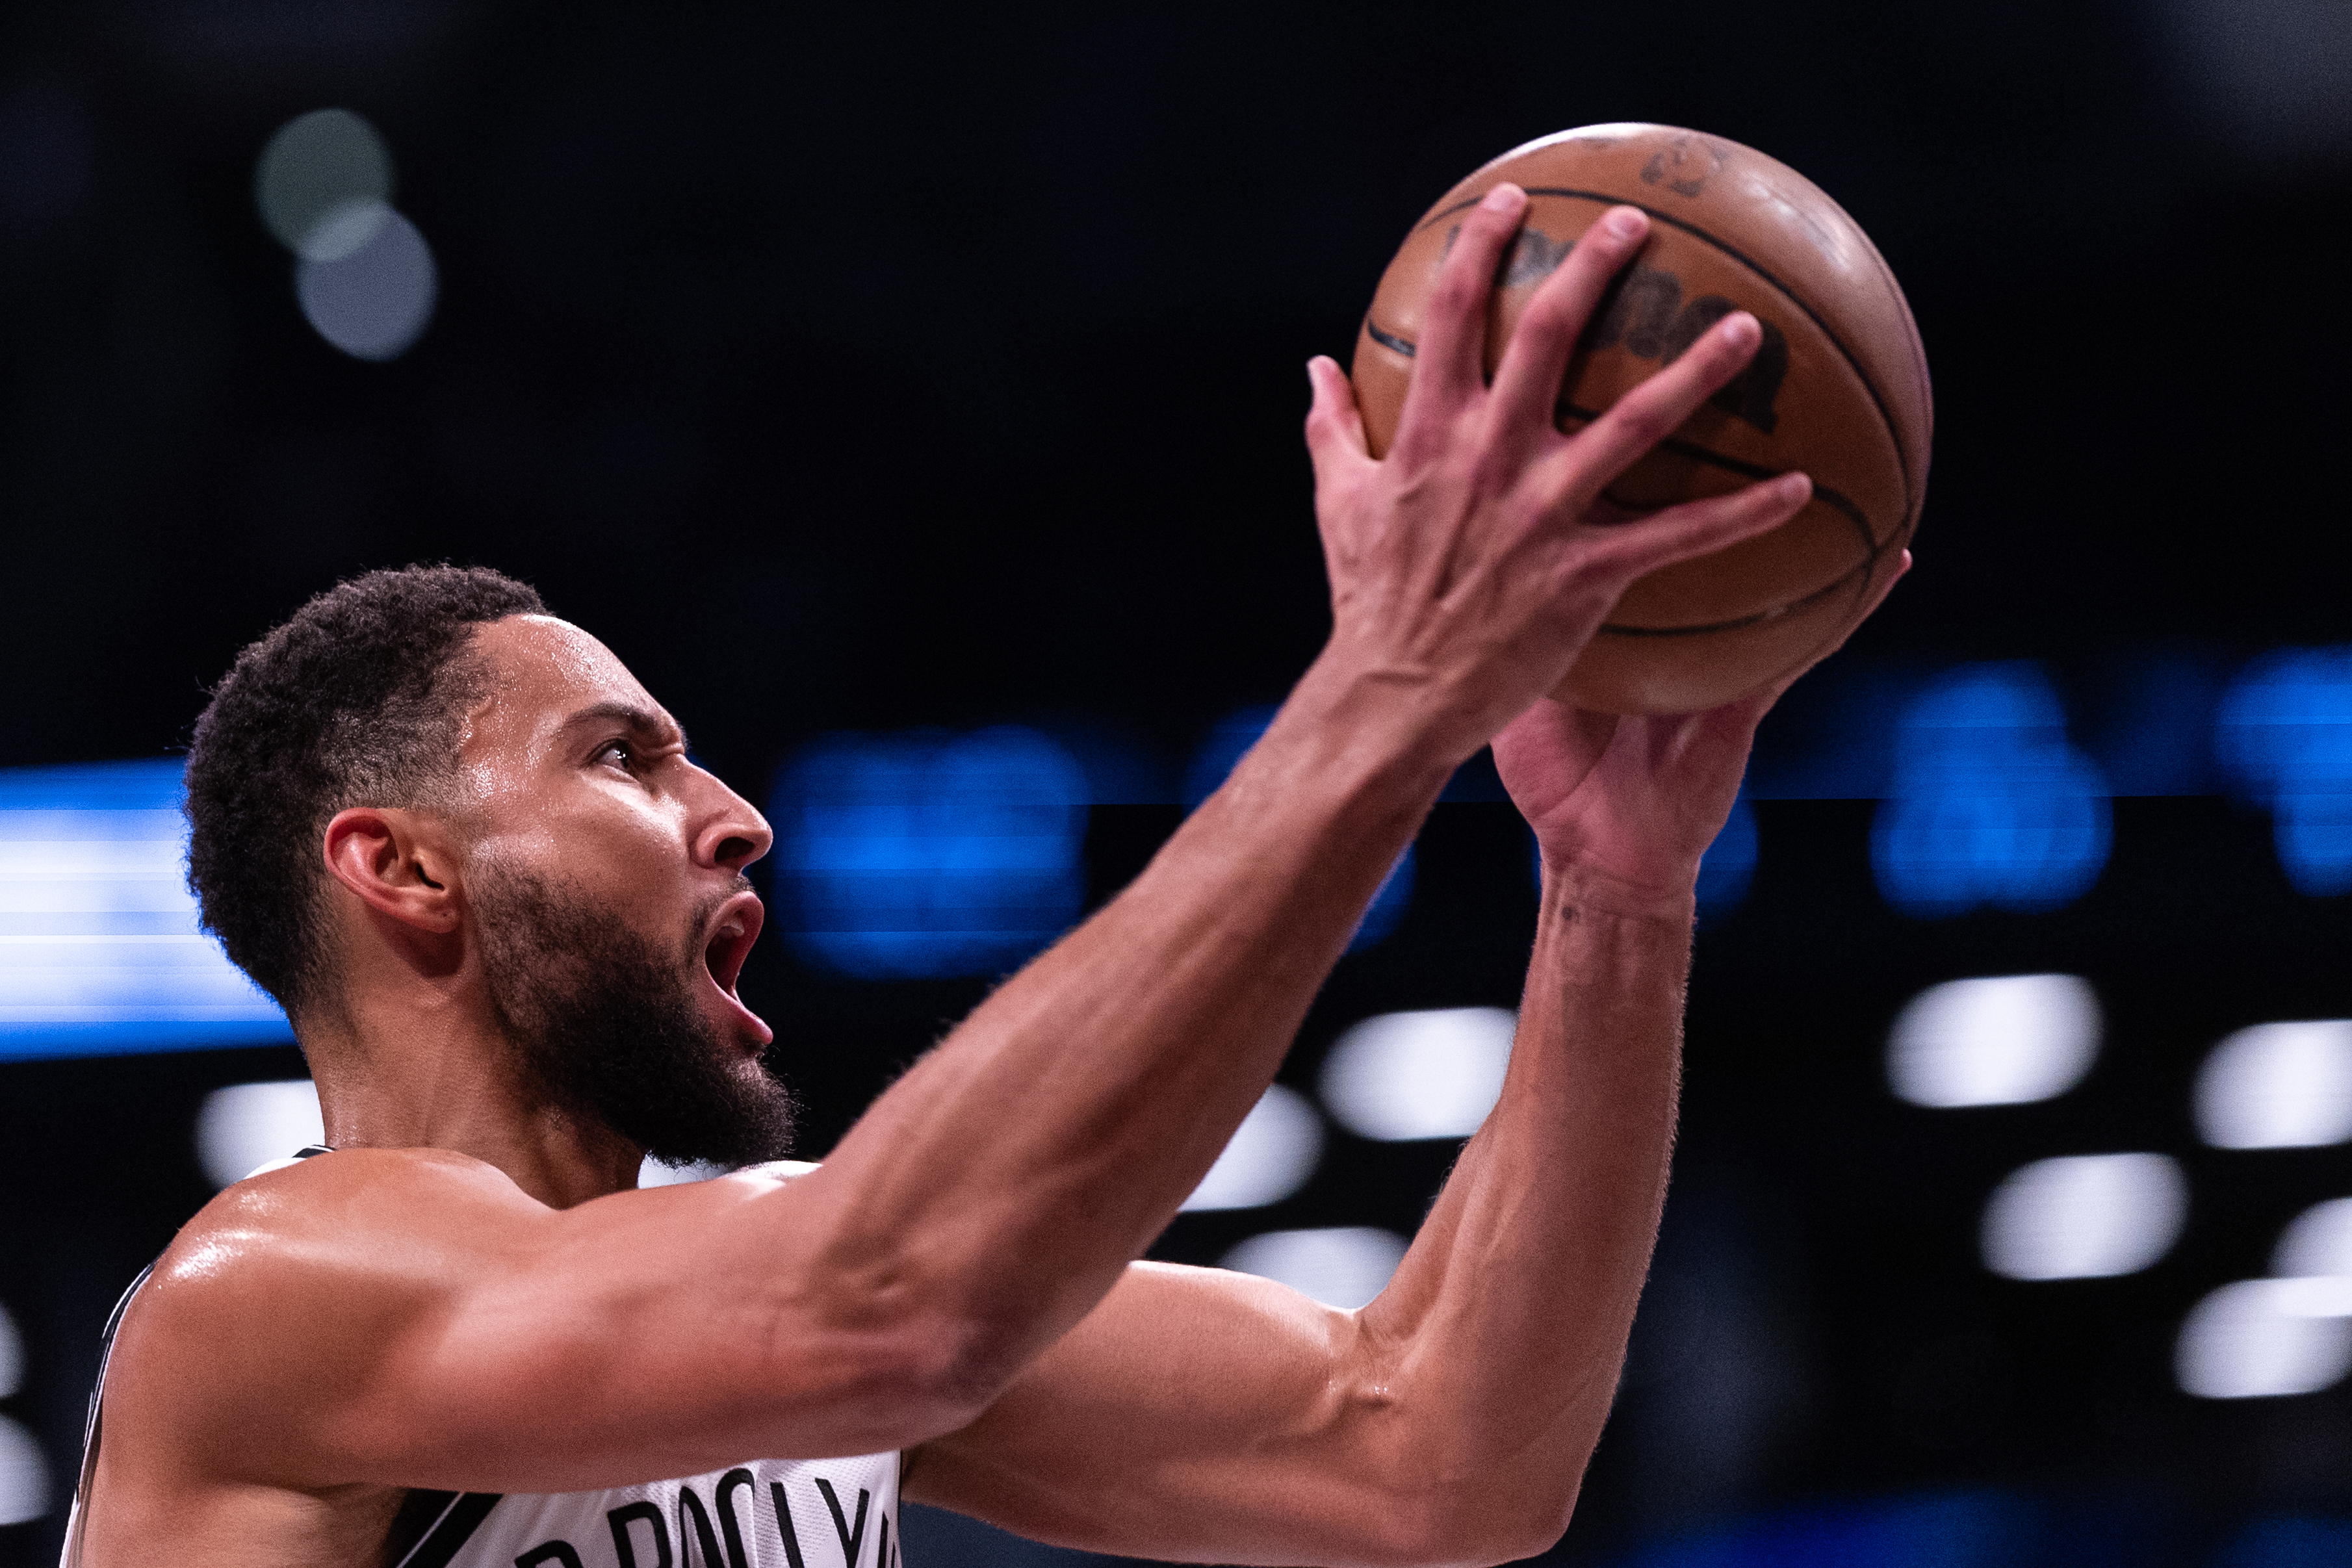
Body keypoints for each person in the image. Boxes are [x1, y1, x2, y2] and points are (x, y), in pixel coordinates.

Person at [65, 187, 1902, 1568]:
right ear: (397, 868)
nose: (736, 814)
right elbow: (890, 1299)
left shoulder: (755, 1322)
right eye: (620, 759)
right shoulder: (272, 1298)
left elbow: (1438, 1458)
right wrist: (1396, 689)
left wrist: (1614, 889)